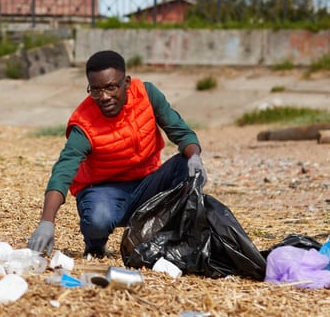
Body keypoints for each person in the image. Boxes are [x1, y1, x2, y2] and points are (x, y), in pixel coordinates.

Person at [27, 50, 203, 258]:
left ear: (126, 82)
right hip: (104, 191)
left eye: (111, 87)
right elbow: (63, 171)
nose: (104, 97)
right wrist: (47, 222)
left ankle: (171, 239)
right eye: (95, 90)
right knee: (98, 220)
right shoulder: (83, 124)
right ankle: (95, 245)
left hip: (148, 184)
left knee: (187, 166)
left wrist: (195, 157)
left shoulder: (146, 95)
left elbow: (181, 132)